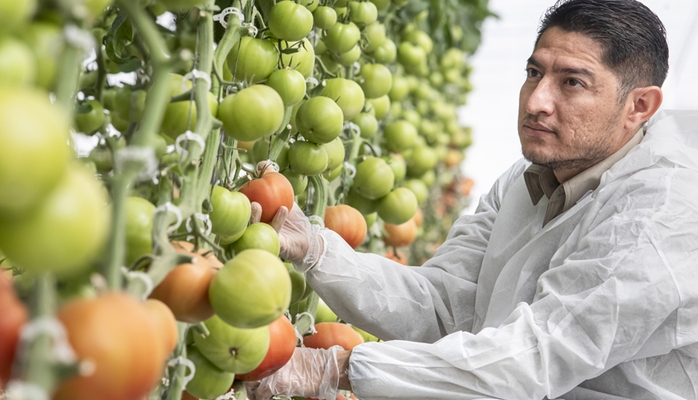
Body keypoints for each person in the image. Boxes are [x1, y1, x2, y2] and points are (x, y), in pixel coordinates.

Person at [246, 0, 698, 398]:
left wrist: (338, 368)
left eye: (572, 83)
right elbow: (443, 306)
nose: (537, 100)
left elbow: (536, 358)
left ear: (639, 106)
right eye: (534, 73)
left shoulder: (661, 212)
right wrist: (317, 250)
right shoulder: (527, 179)